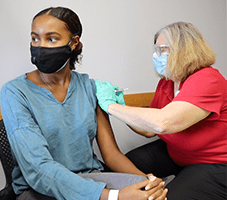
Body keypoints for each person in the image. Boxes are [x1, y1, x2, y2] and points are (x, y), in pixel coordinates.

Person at [0, 6, 168, 200]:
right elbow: (39, 170)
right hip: (40, 189)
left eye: (51, 38)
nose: (40, 46)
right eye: (35, 38)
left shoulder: (90, 87)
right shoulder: (15, 92)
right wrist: (114, 196)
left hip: (91, 179)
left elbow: (111, 154)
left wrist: (146, 182)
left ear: (74, 42)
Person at [95, 21, 227, 200]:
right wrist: (122, 106)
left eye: (163, 50)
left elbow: (163, 123)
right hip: (177, 153)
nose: (157, 56)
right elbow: (148, 130)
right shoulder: (167, 83)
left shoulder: (208, 79)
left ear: (186, 50)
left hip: (214, 163)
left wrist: (111, 106)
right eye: (156, 50)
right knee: (122, 171)